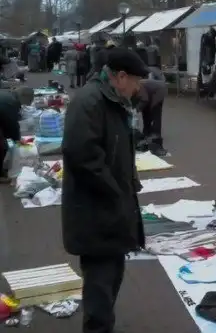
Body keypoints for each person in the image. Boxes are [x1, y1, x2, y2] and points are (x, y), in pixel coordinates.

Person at [61, 48, 149, 333]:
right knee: (100, 278)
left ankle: (103, 324)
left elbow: (117, 149)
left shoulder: (112, 100)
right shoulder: (90, 101)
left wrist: (127, 185)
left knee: (112, 272)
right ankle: (98, 328)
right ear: (120, 77)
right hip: (95, 209)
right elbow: (82, 156)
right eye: (135, 81)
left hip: (110, 206)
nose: (137, 88)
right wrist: (115, 191)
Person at [0, 87, 34, 182]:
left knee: (4, 143)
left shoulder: (9, 96)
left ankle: (2, 170)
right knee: (2, 145)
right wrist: (17, 139)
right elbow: (12, 125)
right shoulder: (12, 102)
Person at [136, 67, 167, 156]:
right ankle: (146, 133)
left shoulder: (138, 84)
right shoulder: (137, 83)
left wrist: (136, 110)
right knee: (145, 113)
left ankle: (156, 136)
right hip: (152, 90)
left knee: (155, 113)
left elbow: (144, 100)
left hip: (159, 91)